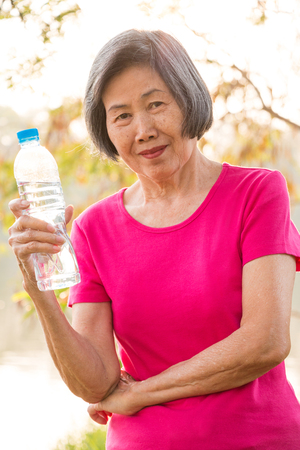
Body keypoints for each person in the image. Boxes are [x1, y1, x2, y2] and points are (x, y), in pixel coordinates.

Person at [8, 29, 300, 449]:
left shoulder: (257, 192)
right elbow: (96, 383)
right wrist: (39, 293)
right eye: (122, 115)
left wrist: (140, 393)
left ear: (189, 101)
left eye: (156, 104)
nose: (142, 129)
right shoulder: (93, 229)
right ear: (106, 129)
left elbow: (265, 342)